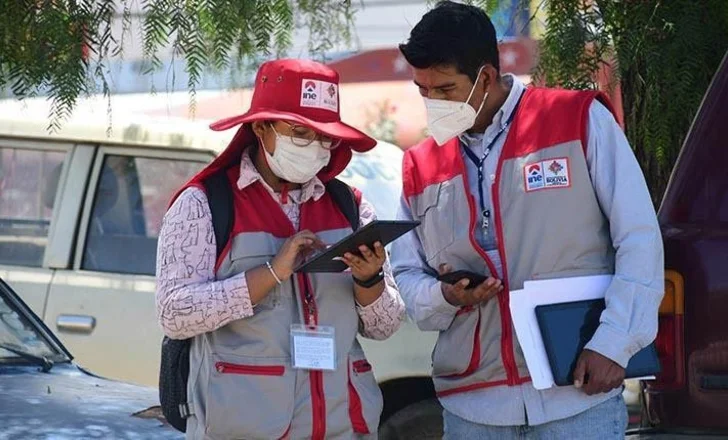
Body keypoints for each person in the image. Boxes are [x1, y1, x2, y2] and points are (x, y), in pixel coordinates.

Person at [390, 2, 664, 439]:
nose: (431, 103)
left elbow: (639, 237)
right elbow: (405, 273)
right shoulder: (420, 166)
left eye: (443, 89)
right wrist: (443, 296)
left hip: (576, 393)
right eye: (422, 90)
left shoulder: (576, 120)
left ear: (483, 77)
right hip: (472, 405)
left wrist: (614, 343)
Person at [155, 58, 405, 440]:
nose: (315, 147)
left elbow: (384, 327)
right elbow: (175, 314)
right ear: (261, 127)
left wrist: (368, 279)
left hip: (341, 425)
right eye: (300, 133)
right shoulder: (203, 204)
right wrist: (271, 274)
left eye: (325, 137)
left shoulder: (351, 206)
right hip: (244, 427)